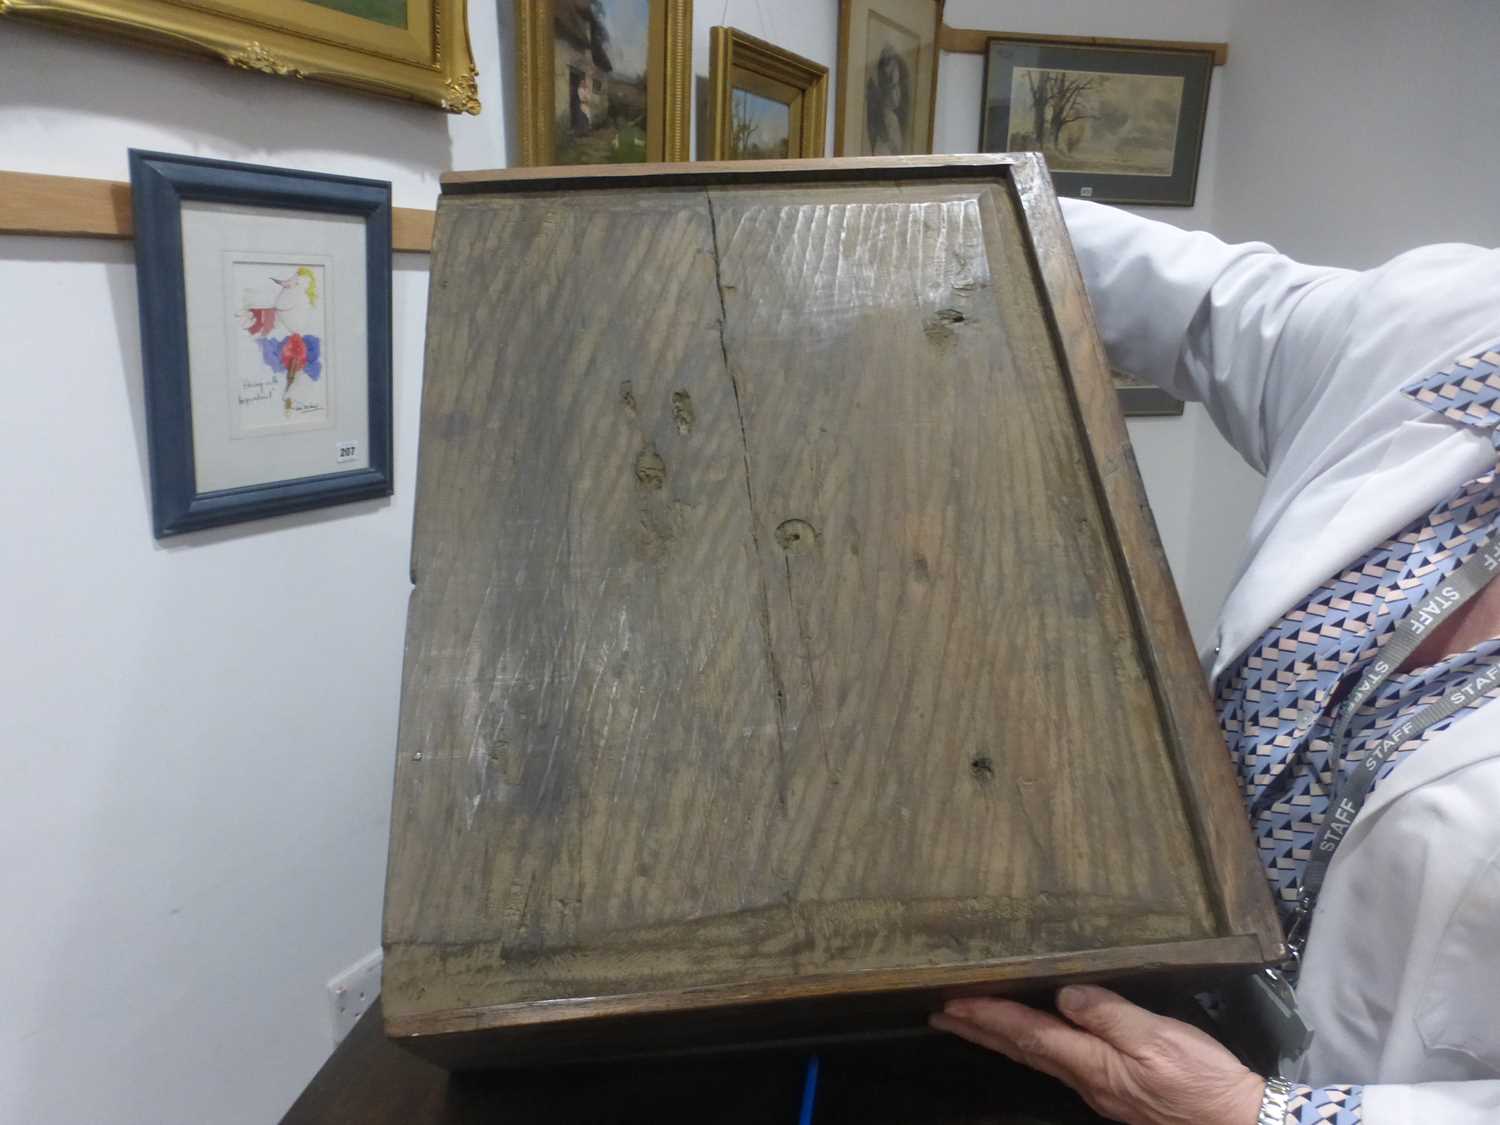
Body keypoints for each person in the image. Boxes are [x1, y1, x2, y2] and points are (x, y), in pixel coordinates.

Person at [930, 198, 1500, 1123]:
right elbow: (1199, 302)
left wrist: (1254, 1115)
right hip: (1140, 998)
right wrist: (910, 205)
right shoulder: (1459, 332)